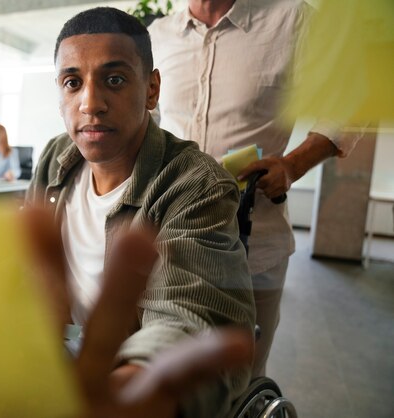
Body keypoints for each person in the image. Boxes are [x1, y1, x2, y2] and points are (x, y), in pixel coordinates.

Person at [27, 7, 255, 417]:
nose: (90, 103)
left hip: (119, 371)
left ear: (152, 90)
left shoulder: (196, 185)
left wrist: (135, 380)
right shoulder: (54, 159)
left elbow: (186, 312)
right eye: (72, 83)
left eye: (114, 80)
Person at [148, 0, 362, 377]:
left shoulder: (292, 20)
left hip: (254, 244)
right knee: (169, 372)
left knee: (242, 375)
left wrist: (292, 165)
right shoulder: (158, 35)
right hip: (170, 241)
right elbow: (144, 124)